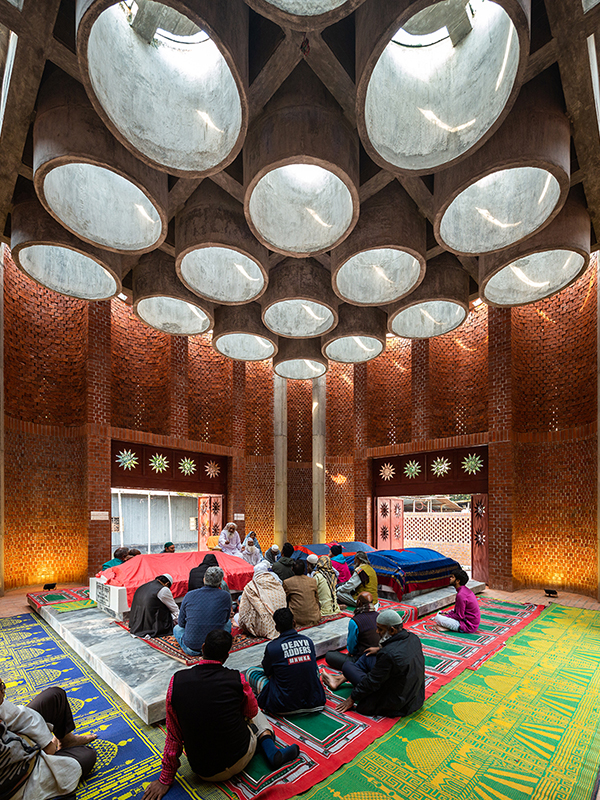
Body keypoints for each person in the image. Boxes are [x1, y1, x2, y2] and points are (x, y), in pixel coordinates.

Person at [142, 630, 300, 799]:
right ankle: (269, 749)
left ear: (203, 648)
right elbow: (251, 712)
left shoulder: (176, 681)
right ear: (226, 656)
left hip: (203, 771)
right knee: (256, 713)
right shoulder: (237, 680)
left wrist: (165, 780)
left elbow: (174, 737)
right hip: (238, 759)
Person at [0, 678, 97, 800]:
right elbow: (13, 763)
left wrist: (45, 742)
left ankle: (67, 741)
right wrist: (41, 747)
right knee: (88, 754)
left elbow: (14, 714)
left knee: (55, 696)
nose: (4, 689)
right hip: (19, 781)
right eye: (0, 687)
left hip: (18, 741)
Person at [322, 609, 425, 717]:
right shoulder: (413, 638)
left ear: (392, 630)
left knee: (347, 666)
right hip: (413, 696)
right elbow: (398, 654)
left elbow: (372, 682)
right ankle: (339, 680)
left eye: (380, 629)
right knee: (368, 656)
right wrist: (379, 650)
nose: (377, 632)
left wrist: (352, 698)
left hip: (397, 701)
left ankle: (339, 679)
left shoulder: (388, 654)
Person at [246, 608, 326, 715]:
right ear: (294, 623)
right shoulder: (308, 641)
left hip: (283, 705)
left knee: (251, 672)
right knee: (312, 666)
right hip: (316, 701)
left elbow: (267, 672)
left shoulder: (272, 647)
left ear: (276, 627)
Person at [173, 566, 231, 657]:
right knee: (228, 623)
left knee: (176, 628)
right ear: (220, 582)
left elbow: (181, 623)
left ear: (204, 580)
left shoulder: (189, 595)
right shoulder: (226, 596)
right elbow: (225, 620)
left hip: (191, 649)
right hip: (216, 648)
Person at [325, 591, 378, 670]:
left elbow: (352, 647)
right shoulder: (379, 615)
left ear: (359, 602)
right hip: (379, 655)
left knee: (329, 655)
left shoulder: (355, 621)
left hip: (363, 659)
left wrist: (352, 653)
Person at [237, 561, 287, 640]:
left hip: (264, 626)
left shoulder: (250, 586)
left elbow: (244, 610)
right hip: (283, 622)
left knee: (238, 616)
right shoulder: (276, 583)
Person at [129, 574, 178, 638]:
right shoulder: (163, 589)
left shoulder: (143, 586)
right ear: (167, 583)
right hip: (151, 625)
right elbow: (173, 608)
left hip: (136, 623)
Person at [435, 569, 481, 633]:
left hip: (468, 626)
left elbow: (459, 616)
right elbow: (457, 612)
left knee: (438, 617)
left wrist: (446, 616)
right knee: (440, 613)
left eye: (452, 577)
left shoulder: (461, 595)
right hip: (470, 623)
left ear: (457, 581)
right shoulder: (464, 591)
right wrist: (447, 614)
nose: (450, 578)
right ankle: (448, 626)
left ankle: (453, 628)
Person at [283, 560, 321, 627]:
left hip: (297, 619)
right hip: (314, 617)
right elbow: (316, 599)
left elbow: (285, 599)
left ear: (292, 569)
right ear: (304, 570)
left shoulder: (287, 582)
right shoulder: (312, 581)